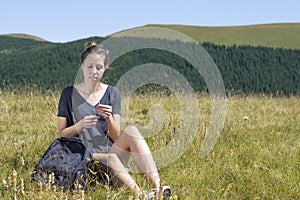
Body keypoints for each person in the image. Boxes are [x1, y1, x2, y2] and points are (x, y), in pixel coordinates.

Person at [57, 42, 171, 199]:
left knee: (131, 131)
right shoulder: (68, 94)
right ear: (82, 66)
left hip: (112, 152)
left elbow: (116, 137)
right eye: (89, 66)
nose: (94, 72)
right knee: (111, 158)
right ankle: (141, 196)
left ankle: (158, 188)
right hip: (85, 158)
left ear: (105, 68)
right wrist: (80, 125)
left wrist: (109, 118)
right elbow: (61, 135)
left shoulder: (112, 93)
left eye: (98, 67)